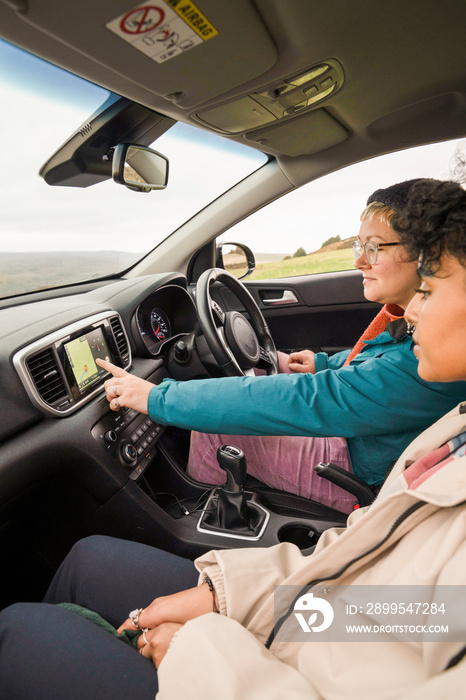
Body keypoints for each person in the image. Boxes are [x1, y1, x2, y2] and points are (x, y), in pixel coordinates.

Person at [1, 177, 466, 699]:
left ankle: (201, 510)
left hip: (276, 653)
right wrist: (227, 594)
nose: (416, 309)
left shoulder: (432, 380)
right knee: (85, 561)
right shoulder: (455, 428)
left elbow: (378, 621)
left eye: (430, 288)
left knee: (17, 631)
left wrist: (202, 648)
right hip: (325, 610)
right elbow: (380, 599)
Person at [97, 180, 465, 512]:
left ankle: (198, 520)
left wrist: (156, 398)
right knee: (261, 368)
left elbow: (315, 398)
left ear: (425, 255)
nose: (358, 261)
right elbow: (376, 364)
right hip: (364, 438)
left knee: (214, 431)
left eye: (373, 248)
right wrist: (323, 364)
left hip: (359, 472)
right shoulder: (416, 330)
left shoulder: (424, 360)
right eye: (359, 246)